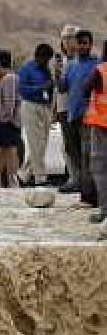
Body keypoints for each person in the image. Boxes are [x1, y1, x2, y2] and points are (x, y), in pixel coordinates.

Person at [59, 29, 102, 207]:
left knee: (88, 157)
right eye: (79, 43)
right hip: (72, 115)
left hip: (89, 116)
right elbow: (63, 88)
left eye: (85, 43)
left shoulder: (97, 64)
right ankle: (83, 192)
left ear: (90, 44)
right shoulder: (70, 65)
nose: (82, 46)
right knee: (75, 155)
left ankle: (89, 197)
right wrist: (59, 75)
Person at [17, 43, 55, 186]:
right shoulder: (26, 69)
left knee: (42, 143)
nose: (46, 62)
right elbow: (22, 89)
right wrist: (40, 88)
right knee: (35, 142)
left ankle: (23, 175)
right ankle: (40, 178)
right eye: (44, 59)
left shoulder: (47, 70)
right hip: (30, 106)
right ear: (38, 56)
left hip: (45, 106)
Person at [80, 41, 107, 225]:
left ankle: (105, 210)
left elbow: (85, 88)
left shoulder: (101, 70)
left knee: (101, 168)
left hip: (101, 125)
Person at [0, 50, 21, 188]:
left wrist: (4, 118)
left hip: (8, 121)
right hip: (7, 120)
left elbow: (10, 101)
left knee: (8, 150)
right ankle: (1, 180)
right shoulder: (7, 78)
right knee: (4, 150)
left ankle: (10, 179)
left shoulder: (9, 78)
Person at [56, 25, 81, 193]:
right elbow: (58, 89)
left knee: (79, 146)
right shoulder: (62, 62)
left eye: (70, 38)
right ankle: (74, 178)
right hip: (63, 108)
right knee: (68, 146)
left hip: (78, 108)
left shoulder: (82, 61)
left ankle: (82, 179)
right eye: (64, 38)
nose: (67, 42)